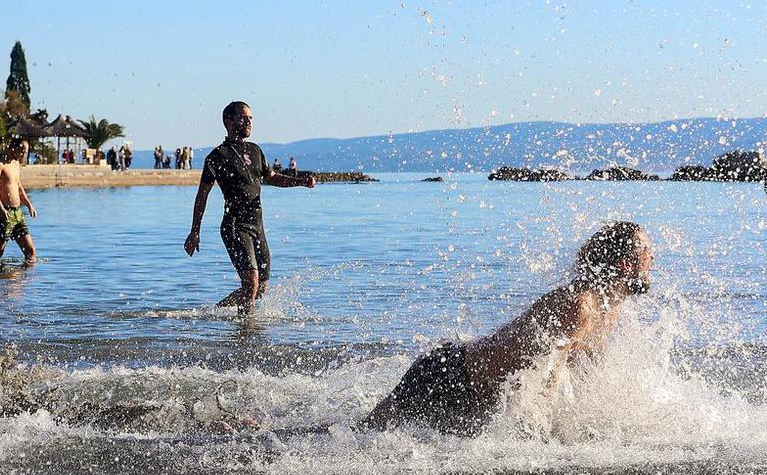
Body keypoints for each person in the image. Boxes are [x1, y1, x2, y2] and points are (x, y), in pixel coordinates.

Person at [362, 222, 654, 436]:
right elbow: (547, 376)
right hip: (448, 379)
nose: (652, 258)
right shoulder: (579, 307)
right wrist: (540, 436)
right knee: (363, 437)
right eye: (647, 252)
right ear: (627, 264)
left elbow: (581, 376)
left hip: (480, 399)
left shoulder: (610, 307)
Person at [184, 100, 316, 313]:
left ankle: (214, 312)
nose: (249, 122)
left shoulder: (255, 150)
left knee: (261, 287)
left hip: (257, 226)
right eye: (244, 118)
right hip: (235, 226)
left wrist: (299, 181)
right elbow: (202, 195)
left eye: (251, 119)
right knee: (251, 283)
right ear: (228, 121)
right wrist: (195, 231)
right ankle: (247, 331)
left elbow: (272, 177)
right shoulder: (217, 157)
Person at [0, 135, 37, 264]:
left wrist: (28, 204)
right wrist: (0, 207)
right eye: (22, 151)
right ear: (12, 147)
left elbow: (18, 186)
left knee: (30, 252)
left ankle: (24, 282)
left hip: (18, 213)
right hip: (3, 213)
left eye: (25, 152)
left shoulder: (16, 163)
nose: (23, 154)